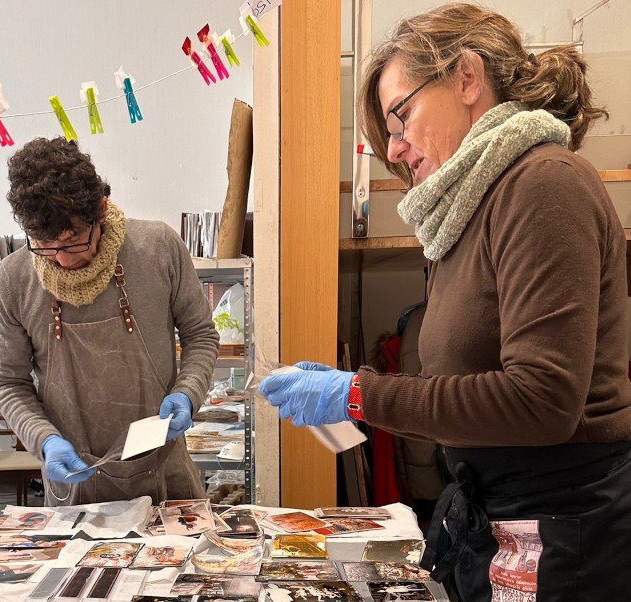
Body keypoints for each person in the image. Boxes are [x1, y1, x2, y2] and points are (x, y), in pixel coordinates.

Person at [259, 3, 631, 600]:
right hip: (501, 516)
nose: (396, 150)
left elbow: (542, 401)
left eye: (400, 117)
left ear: (466, 77)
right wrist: (357, 392)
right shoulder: (466, 211)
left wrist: (358, 394)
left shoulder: (543, 183)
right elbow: (461, 382)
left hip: (562, 530)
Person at [0, 137, 218, 506]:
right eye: (45, 246)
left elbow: (201, 336)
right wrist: (43, 438)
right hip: (76, 488)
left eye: (73, 240)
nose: (63, 260)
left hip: (164, 474)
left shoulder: (157, 247)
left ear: (100, 209)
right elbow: (7, 381)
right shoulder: (12, 280)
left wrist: (187, 392)